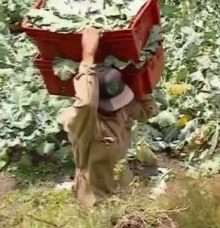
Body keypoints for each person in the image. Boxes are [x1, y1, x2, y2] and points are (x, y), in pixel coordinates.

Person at [59, 28, 159, 207]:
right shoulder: (85, 124)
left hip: (124, 190)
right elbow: (86, 103)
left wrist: (142, 69)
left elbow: (147, 110)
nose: (117, 108)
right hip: (96, 200)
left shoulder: (121, 109)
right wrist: (87, 57)